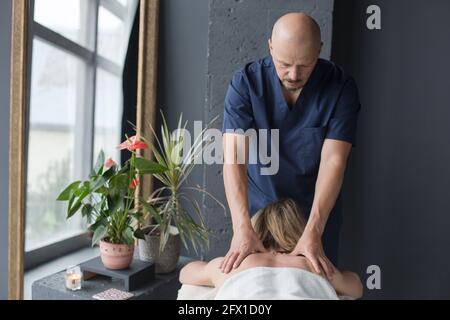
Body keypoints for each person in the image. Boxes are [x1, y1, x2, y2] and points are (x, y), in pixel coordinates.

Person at [221, 12, 361, 279]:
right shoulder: (246, 84)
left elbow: (334, 161)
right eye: (284, 64)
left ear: (320, 51)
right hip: (259, 215)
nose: (294, 74)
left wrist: (314, 231)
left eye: (305, 65)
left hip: (314, 214)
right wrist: (241, 228)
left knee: (317, 286)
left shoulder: (341, 88)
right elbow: (234, 158)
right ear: (270, 45)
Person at [179, 199, 363, 300]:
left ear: (255, 229)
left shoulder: (233, 264)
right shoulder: (312, 264)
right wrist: (333, 272)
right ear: (299, 232)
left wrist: (212, 268)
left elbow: (185, 274)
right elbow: (356, 287)